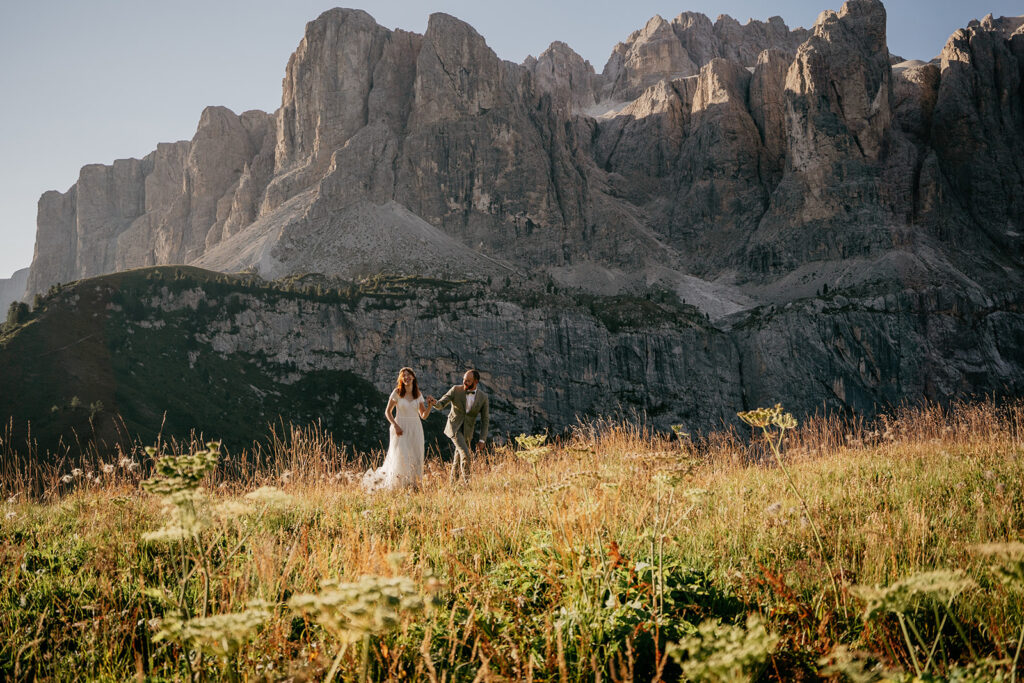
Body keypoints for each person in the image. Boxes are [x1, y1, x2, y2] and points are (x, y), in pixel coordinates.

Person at [363, 367, 432, 491]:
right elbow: (388, 412)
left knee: (416, 455)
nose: (406, 377)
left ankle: (414, 485)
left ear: (413, 377)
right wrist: (395, 425)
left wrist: (430, 406)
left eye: (408, 375)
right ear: (401, 379)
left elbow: (423, 416)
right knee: (402, 456)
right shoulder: (397, 392)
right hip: (400, 427)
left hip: (415, 428)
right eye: (403, 375)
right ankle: (398, 485)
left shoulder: (418, 394)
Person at [430, 369, 489, 484]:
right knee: (466, 454)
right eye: (463, 379)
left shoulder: (483, 397)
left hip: (467, 431)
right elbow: (441, 404)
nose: (464, 382)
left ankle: (453, 485)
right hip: (454, 427)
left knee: (458, 458)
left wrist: (482, 439)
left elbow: (485, 420)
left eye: (468, 381)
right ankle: (468, 483)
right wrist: (434, 402)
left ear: (476, 381)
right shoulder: (455, 390)